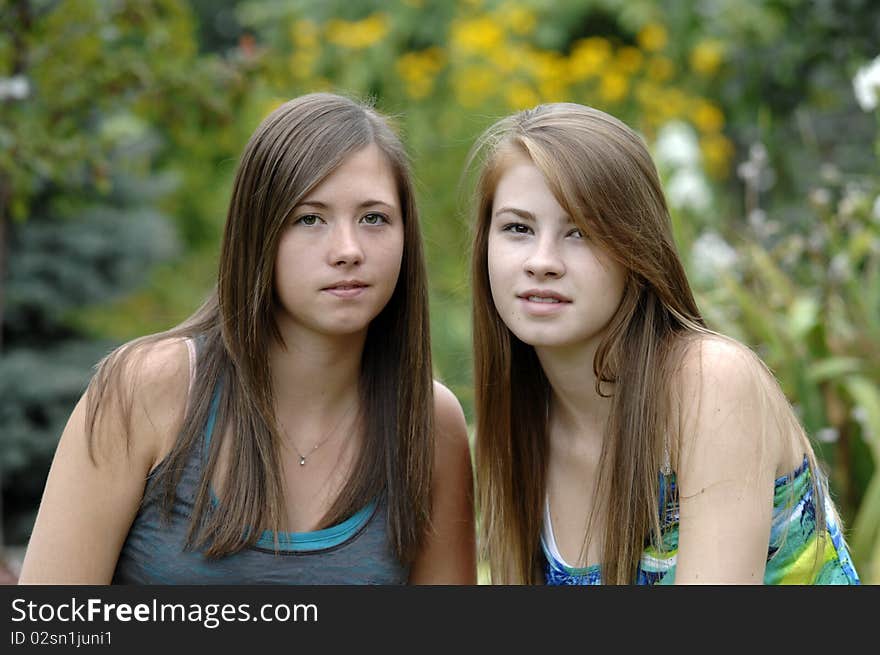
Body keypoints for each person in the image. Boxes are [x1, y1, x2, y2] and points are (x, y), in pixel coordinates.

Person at [19, 92, 476, 584]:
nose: (348, 250)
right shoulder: (147, 390)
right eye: (309, 219)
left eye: (373, 218)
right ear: (257, 234)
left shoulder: (430, 425)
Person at [469, 102, 859, 585]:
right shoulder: (523, 423)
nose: (542, 261)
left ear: (635, 247)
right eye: (518, 228)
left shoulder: (708, 384)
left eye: (581, 232)